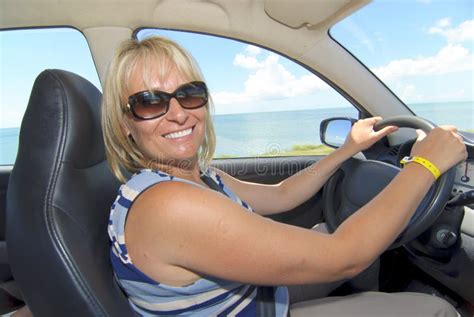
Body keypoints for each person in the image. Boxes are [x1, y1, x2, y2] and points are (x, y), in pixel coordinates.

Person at [102, 36, 467, 316]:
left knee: (327, 232)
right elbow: (345, 256)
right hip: (260, 307)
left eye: (189, 94)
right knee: (432, 309)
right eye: (150, 102)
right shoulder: (170, 206)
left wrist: (346, 150)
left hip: (255, 299)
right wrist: (425, 165)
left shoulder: (193, 179)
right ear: (126, 125)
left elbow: (281, 194)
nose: (179, 114)